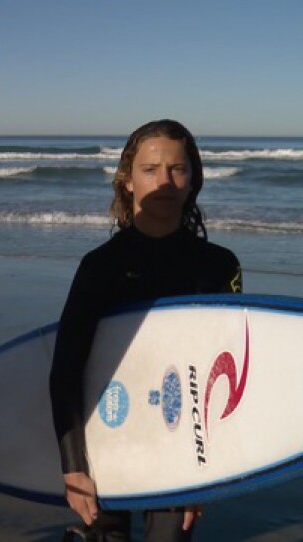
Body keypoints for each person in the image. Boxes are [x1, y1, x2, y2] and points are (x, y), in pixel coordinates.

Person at [49, 119, 243, 541]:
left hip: (180, 443)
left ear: (194, 180)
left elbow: (226, 376)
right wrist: (74, 467)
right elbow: (66, 369)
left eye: (178, 169)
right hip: (106, 434)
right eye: (151, 169)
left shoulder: (219, 267)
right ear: (128, 181)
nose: (166, 181)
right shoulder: (99, 267)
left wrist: (206, 470)